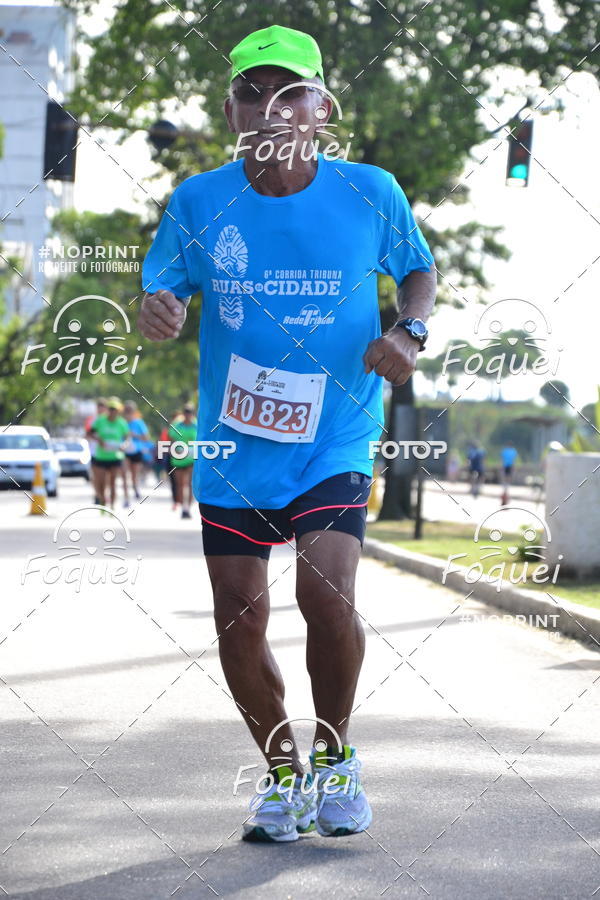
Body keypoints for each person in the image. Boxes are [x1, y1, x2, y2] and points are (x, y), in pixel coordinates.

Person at [139, 24, 436, 842]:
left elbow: (418, 268)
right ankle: (282, 777)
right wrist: (159, 309)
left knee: (325, 593)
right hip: (235, 441)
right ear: (230, 110)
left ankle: (335, 760)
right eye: (251, 91)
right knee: (239, 614)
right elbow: (162, 286)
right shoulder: (199, 201)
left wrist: (409, 331)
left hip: (335, 431)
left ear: (320, 109)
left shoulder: (370, 191)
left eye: (290, 91)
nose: (269, 105)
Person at [89, 397, 129, 509]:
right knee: (101, 483)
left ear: (118, 411)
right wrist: (99, 440)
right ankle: (102, 501)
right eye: (111, 409)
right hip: (101, 456)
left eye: (115, 409)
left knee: (113, 483)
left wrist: (124, 445)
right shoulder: (100, 421)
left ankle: (112, 507)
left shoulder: (121, 423)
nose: (112, 412)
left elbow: (127, 438)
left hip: (115, 456)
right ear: (108, 410)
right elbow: (90, 433)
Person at [168, 404, 197, 519]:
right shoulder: (177, 424)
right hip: (178, 458)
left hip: (191, 458)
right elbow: (171, 440)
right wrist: (174, 449)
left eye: (190, 412)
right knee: (180, 485)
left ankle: (187, 508)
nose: (187, 414)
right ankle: (182, 506)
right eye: (186, 412)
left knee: (189, 484)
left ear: (192, 413)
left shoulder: (196, 425)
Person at [123, 400, 152, 500]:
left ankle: (135, 489)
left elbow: (146, 438)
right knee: (124, 473)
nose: (128, 412)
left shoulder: (139, 423)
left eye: (130, 410)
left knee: (134, 474)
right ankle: (126, 495)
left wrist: (134, 435)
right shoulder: (122, 422)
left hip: (136, 451)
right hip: (124, 451)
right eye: (126, 410)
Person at [85, 397, 108, 504]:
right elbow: (87, 434)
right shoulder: (92, 420)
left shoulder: (109, 420)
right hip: (94, 451)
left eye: (103, 408)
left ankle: (103, 494)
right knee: (96, 476)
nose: (101, 410)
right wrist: (97, 440)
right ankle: (97, 494)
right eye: (99, 408)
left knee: (105, 476)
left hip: (107, 452)